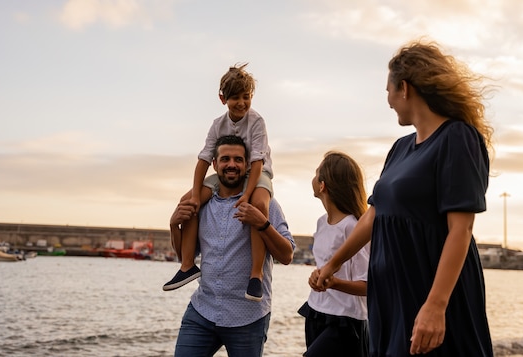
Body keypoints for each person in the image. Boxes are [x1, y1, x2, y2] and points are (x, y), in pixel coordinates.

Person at [316, 40, 494, 356]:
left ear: (406, 88)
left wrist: (436, 305)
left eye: (389, 91)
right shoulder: (399, 149)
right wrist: (333, 263)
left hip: (430, 289)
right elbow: (373, 216)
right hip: (391, 296)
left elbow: (461, 230)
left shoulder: (458, 138)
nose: (388, 102)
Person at [170, 135, 295, 357]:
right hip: (202, 312)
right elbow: (183, 256)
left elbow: (287, 255)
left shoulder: (264, 203)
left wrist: (262, 224)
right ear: (215, 164)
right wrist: (174, 226)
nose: (231, 165)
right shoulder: (202, 205)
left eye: (238, 160)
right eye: (225, 159)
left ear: (247, 165)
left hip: (247, 318)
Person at [163, 63, 274, 302]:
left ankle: (256, 275)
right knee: (188, 203)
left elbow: (257, 161)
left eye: (247, 97)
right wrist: (194, 194)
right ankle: (187, 265)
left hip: (257, 171)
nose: (242, 103)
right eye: (235, 98)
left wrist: (247, 194)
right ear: (223, 98)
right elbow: (204, 159)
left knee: (259, 206)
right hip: (227, 171)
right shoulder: (217, 124)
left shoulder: (257, 121)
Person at [299, 151, 370, 357]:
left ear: (322, 185)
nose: (313, 178)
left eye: (316, 173)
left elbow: (369, 286)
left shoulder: (354, 227)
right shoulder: (321, 222)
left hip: (345, 321)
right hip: (316, 311)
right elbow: (323, 268)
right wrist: (316, 278)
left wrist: (334, 283)